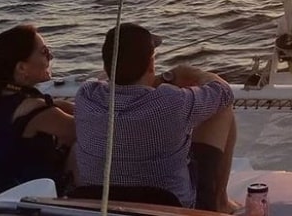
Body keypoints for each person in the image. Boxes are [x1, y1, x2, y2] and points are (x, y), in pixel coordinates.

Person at [74, 23, 237, 212]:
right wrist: (191, 73)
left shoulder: (86, 95)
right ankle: (220, 202)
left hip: (99, 204)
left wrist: (157, 79)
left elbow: (111, 82)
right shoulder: (170, 101)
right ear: (151, 63)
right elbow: (224, 92)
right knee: (222, 108)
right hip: (170, 208)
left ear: (106, 65)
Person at [0, 24, 76, 195]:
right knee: (80, 146)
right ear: (22, 68)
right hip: (28, 197)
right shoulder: (34, 109)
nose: (51, 56)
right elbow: (93, 128)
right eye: (44, 52)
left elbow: (56, 105)